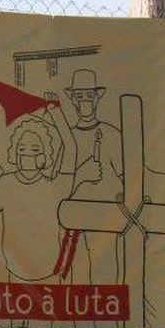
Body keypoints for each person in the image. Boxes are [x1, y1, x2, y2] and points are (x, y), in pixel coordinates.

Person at [0, 95, 74, 284]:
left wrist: (55, 112)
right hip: (11, 273)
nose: (27, 154)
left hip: (49, 274)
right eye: (22, 149)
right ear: (14, 152)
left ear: (44, 155)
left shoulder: (55, 186)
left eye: (35, 149)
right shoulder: (5, 183)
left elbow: (70, 148)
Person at [62, 67, 123, 284]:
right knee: (75, 285)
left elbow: (128, 177)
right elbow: (57, 186)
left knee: (106, 283)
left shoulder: (113, 135)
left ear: (97, 97)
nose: (85, 101)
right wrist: (81, 175)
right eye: (80, 96)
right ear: (73, 100)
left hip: (105, 223)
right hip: (73, 222)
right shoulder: (65, 139)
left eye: (89, 95)